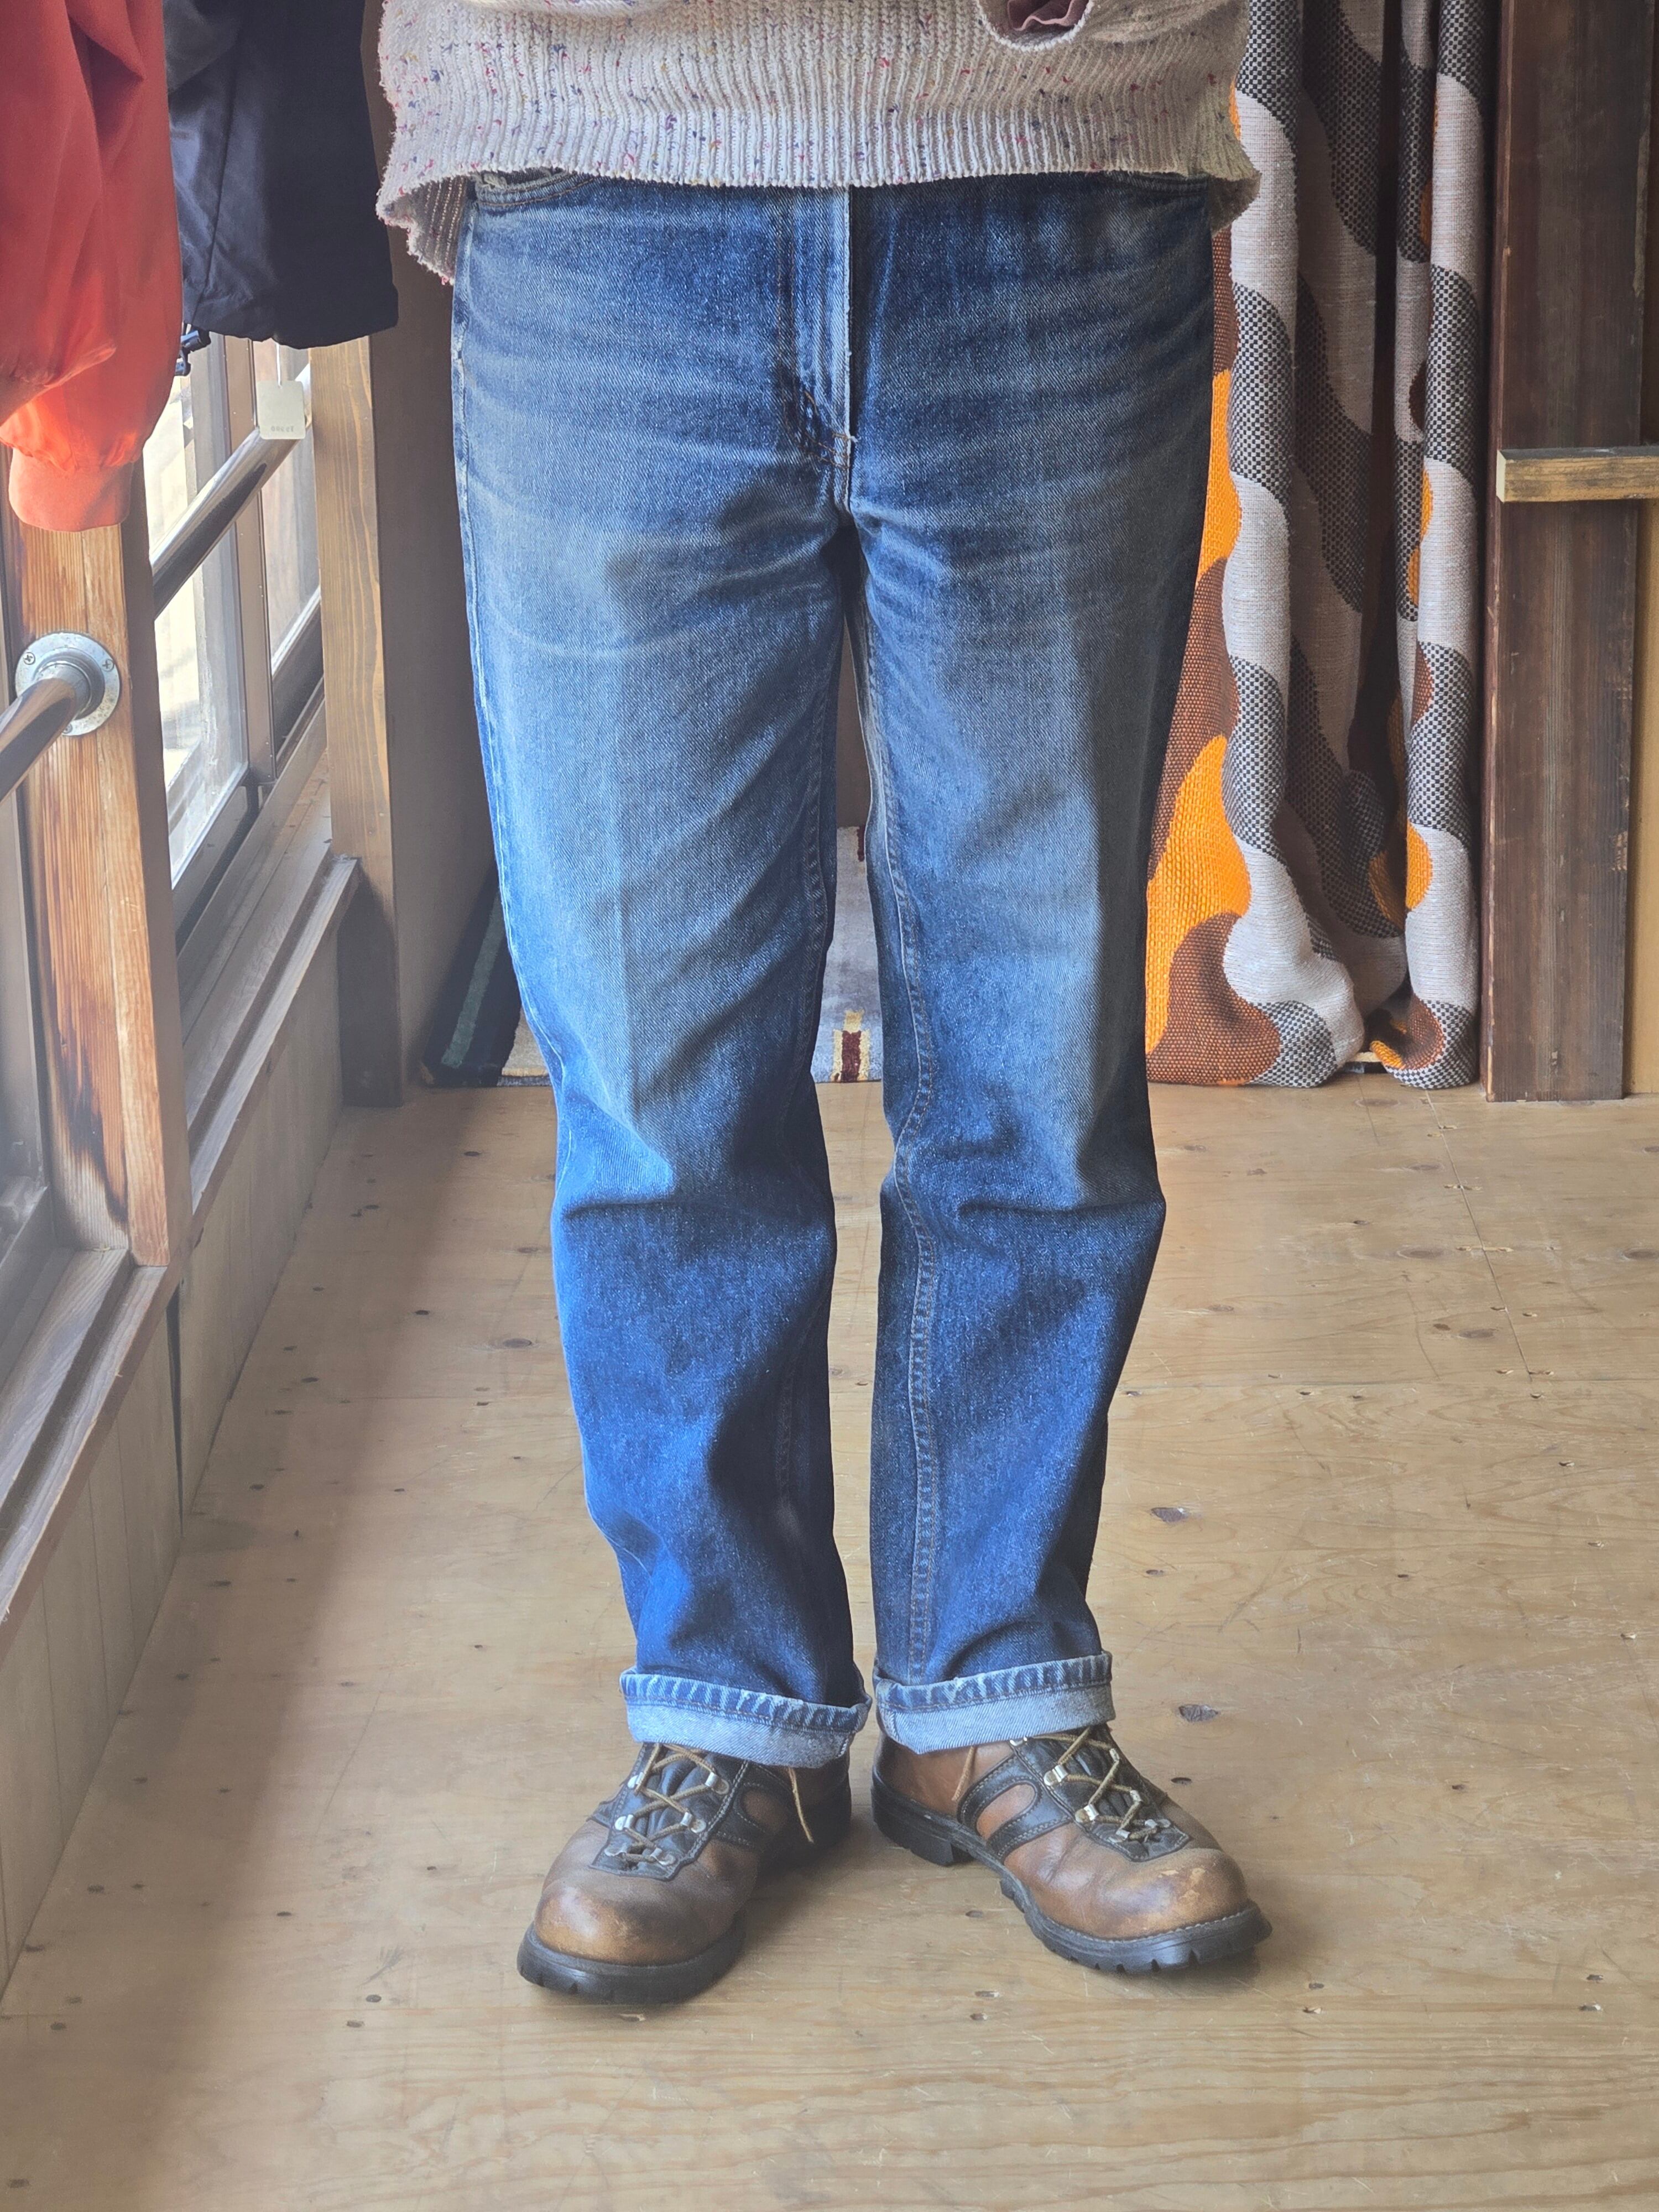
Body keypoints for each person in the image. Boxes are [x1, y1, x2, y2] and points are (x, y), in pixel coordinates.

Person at [379, 0, 1269, 2005]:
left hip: (1051, 152)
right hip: (597, 172)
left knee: (1036, 1043)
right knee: (654, 1065)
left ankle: (991, 1698)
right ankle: (730, 1714)